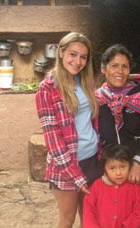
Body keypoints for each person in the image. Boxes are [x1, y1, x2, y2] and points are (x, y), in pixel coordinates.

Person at [35, 32, 102, 228]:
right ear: (61, 52)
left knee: (90, 217)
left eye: (83, 57)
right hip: (66, 166)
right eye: (73, 54)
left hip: (92, 159)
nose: (78, 61)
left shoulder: (85, 82)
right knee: (67, 219)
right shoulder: (47, 89)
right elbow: (53, 140)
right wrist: (76, 175)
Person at [95, 44, 140, 228]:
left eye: (125, 66)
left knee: (139, 219)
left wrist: (138, 162)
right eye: (114, 65)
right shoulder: (98, 100)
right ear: (104, 69)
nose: (120, 71)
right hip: (113, 169)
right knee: (115, 218)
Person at [83, 144, 140, 228]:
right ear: (105, 169)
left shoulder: (134, 188)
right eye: (112, 168)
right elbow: (88, 210)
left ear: (130, 166)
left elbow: (138, 212)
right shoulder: (97, 186)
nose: (118, 173)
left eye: (123, 167)